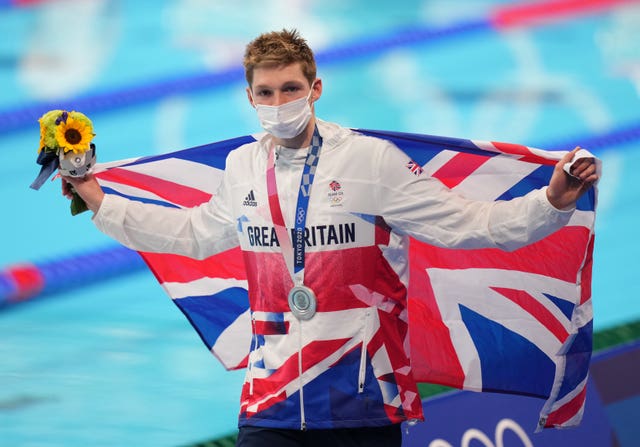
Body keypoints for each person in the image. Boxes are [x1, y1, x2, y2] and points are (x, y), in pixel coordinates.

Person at [62, 29, 598, 447]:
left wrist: (551, 203)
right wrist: (98, 199)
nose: (279, 102)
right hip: (270, 396)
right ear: (250, 98)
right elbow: (193, 234)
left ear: (315, 89)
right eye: (266, 93)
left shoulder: (372, 162)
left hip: (362, 396)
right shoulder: (243, 166)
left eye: (291, 88)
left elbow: (468, 225)